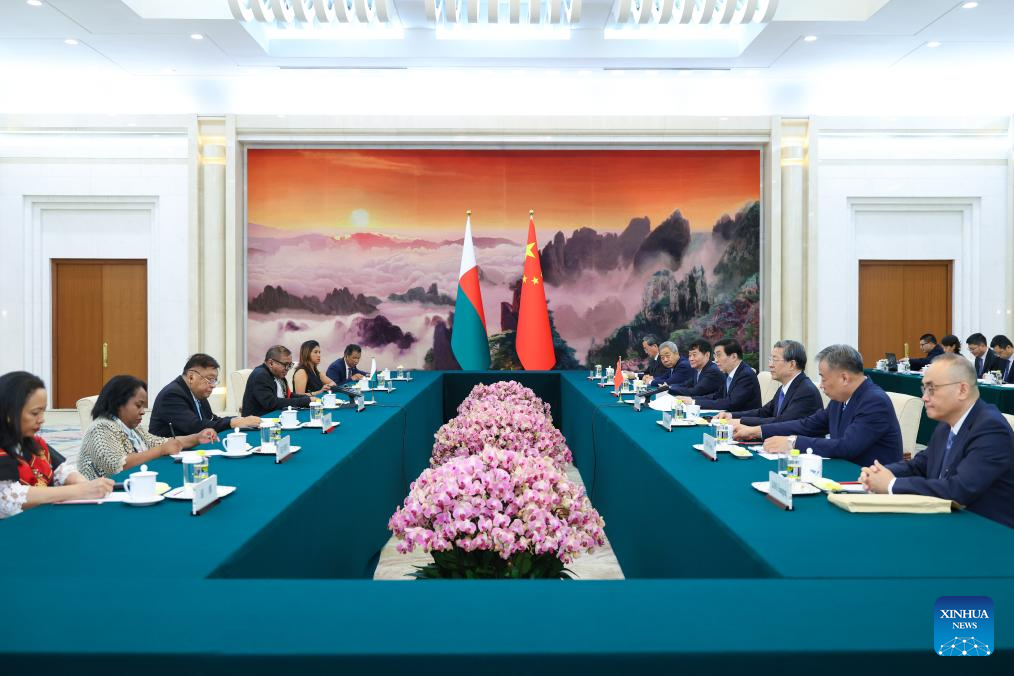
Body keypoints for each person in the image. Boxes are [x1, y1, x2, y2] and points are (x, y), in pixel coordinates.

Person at [860, 354, 1014, 529]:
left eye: (931, 389)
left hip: (987, 531)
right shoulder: (947, 424)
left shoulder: (991, 428)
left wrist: (891, 484)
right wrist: (882, 472)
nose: (925, 397)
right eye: (924, 389)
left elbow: (959, 490)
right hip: (948, 521)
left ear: (962, 390)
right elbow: (921, 465)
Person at [737, 344, 903, 467]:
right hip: (841, 471)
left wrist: (792, 443)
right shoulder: (840, 398)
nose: (821, 385)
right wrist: (757, 431)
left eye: (823, 378)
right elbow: (808, 425)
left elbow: (847, 446)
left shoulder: (874, 401)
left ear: (844, 378)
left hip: (868, 483)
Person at [0, 371, 113, 518]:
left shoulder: (33, 442)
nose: (42, 419)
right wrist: (79, 491)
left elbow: (61, 471)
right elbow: (7, 498)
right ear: (9, 413)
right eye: (35, 413)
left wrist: (83, 483)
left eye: (43, 411)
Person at [78, 375, 215, 480]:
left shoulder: (131, 428)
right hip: (102, 497)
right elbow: (120, 465)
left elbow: (160, 442)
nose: (143, 411)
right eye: (138, 405)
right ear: (118, 403)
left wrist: (197, 437)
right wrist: (161, 450)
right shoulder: (100, 428)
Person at [718, 340, 823, 434]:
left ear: (792, 364)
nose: (770, 365)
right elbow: (764, 412)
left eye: (775, 360)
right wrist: (731, 415)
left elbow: (782, 422)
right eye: (770, 359)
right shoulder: (785, 387)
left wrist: (741, 421)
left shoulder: (805, 391)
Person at [149, 353, 261, 437]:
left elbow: (211, 419)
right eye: (210, 379)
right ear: (191, 377)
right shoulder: (172, 395)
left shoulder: (198, 393)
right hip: (167, 455)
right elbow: (195, 427)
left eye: (215, 380)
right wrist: (233, 422)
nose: (213, 385)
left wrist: (240, 419)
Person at [678, 338, 761, 412]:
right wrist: (691, 399)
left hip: (743, 421)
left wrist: (694, 402)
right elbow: (717, 396)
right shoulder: (730, 373)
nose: (716, 360)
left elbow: (730, 403)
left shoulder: (746, 375)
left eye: (719, 355)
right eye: (715, 356)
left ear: (734, 357)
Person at [243, 345, 312, 417]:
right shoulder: (260, 375)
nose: (287, 369)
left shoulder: (278, 374)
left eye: (290, 365)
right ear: (271, 363)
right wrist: (305, 401)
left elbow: (287, 395)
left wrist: (307, 398)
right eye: (285, 364)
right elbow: (271, 403)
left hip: (276, 416)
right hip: (259, 420)